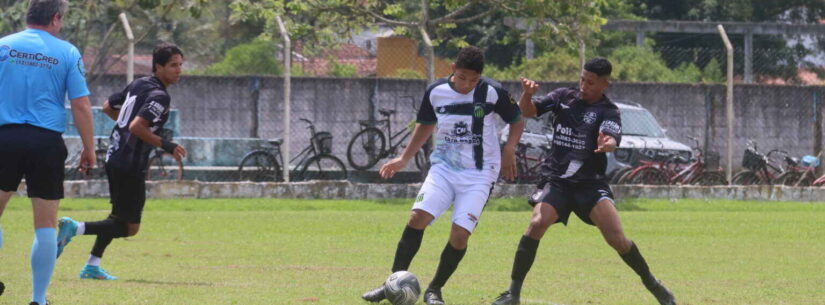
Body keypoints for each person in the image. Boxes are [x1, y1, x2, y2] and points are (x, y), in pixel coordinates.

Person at [491, 58, 676, 305]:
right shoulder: (562, 97)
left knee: (617, 240)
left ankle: (653, 284)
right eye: (582, 79)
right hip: (558, 180)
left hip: (590, 184)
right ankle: (513, 294)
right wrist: (526, 94)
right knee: (537, 223)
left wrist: (606, 143)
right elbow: (527, 111)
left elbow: (611, 139)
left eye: (590, 82)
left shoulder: (609, 111)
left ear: (604, 84)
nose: (583, 85)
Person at [361, 46, 525, 305]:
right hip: (444, 169)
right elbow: (425, 125)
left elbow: (517, 118)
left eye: (473, 80)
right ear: (452, 70)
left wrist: (510, 149)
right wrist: (404, 158)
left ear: (480, 77)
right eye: (462, 78)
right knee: (417, 217)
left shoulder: (493, 91)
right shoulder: (436, 92)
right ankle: (391, 284)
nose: (467, 84)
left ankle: (434, 290)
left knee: (460, 234)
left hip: (480, 174)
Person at [55, 43, 187, 281]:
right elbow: (137, 126)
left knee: (117, 218)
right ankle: (76, 228)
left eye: (180, 65)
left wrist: (126, 128)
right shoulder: (160, 96)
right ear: (159, 67)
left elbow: (108, 107)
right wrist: (167, 145)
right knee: (130, 227)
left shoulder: (139, 84)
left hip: (115, 156)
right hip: (130, 163)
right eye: (173, 65)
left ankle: (92, 266)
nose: (179, 70)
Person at [0, 1, 96, 304]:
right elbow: (80, 105)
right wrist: (89, 149)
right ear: (56, 18)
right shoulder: (67, 52)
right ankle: (38, 300)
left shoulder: (3, 46)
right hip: (46, 142)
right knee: (45, 225)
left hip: (5, 138)